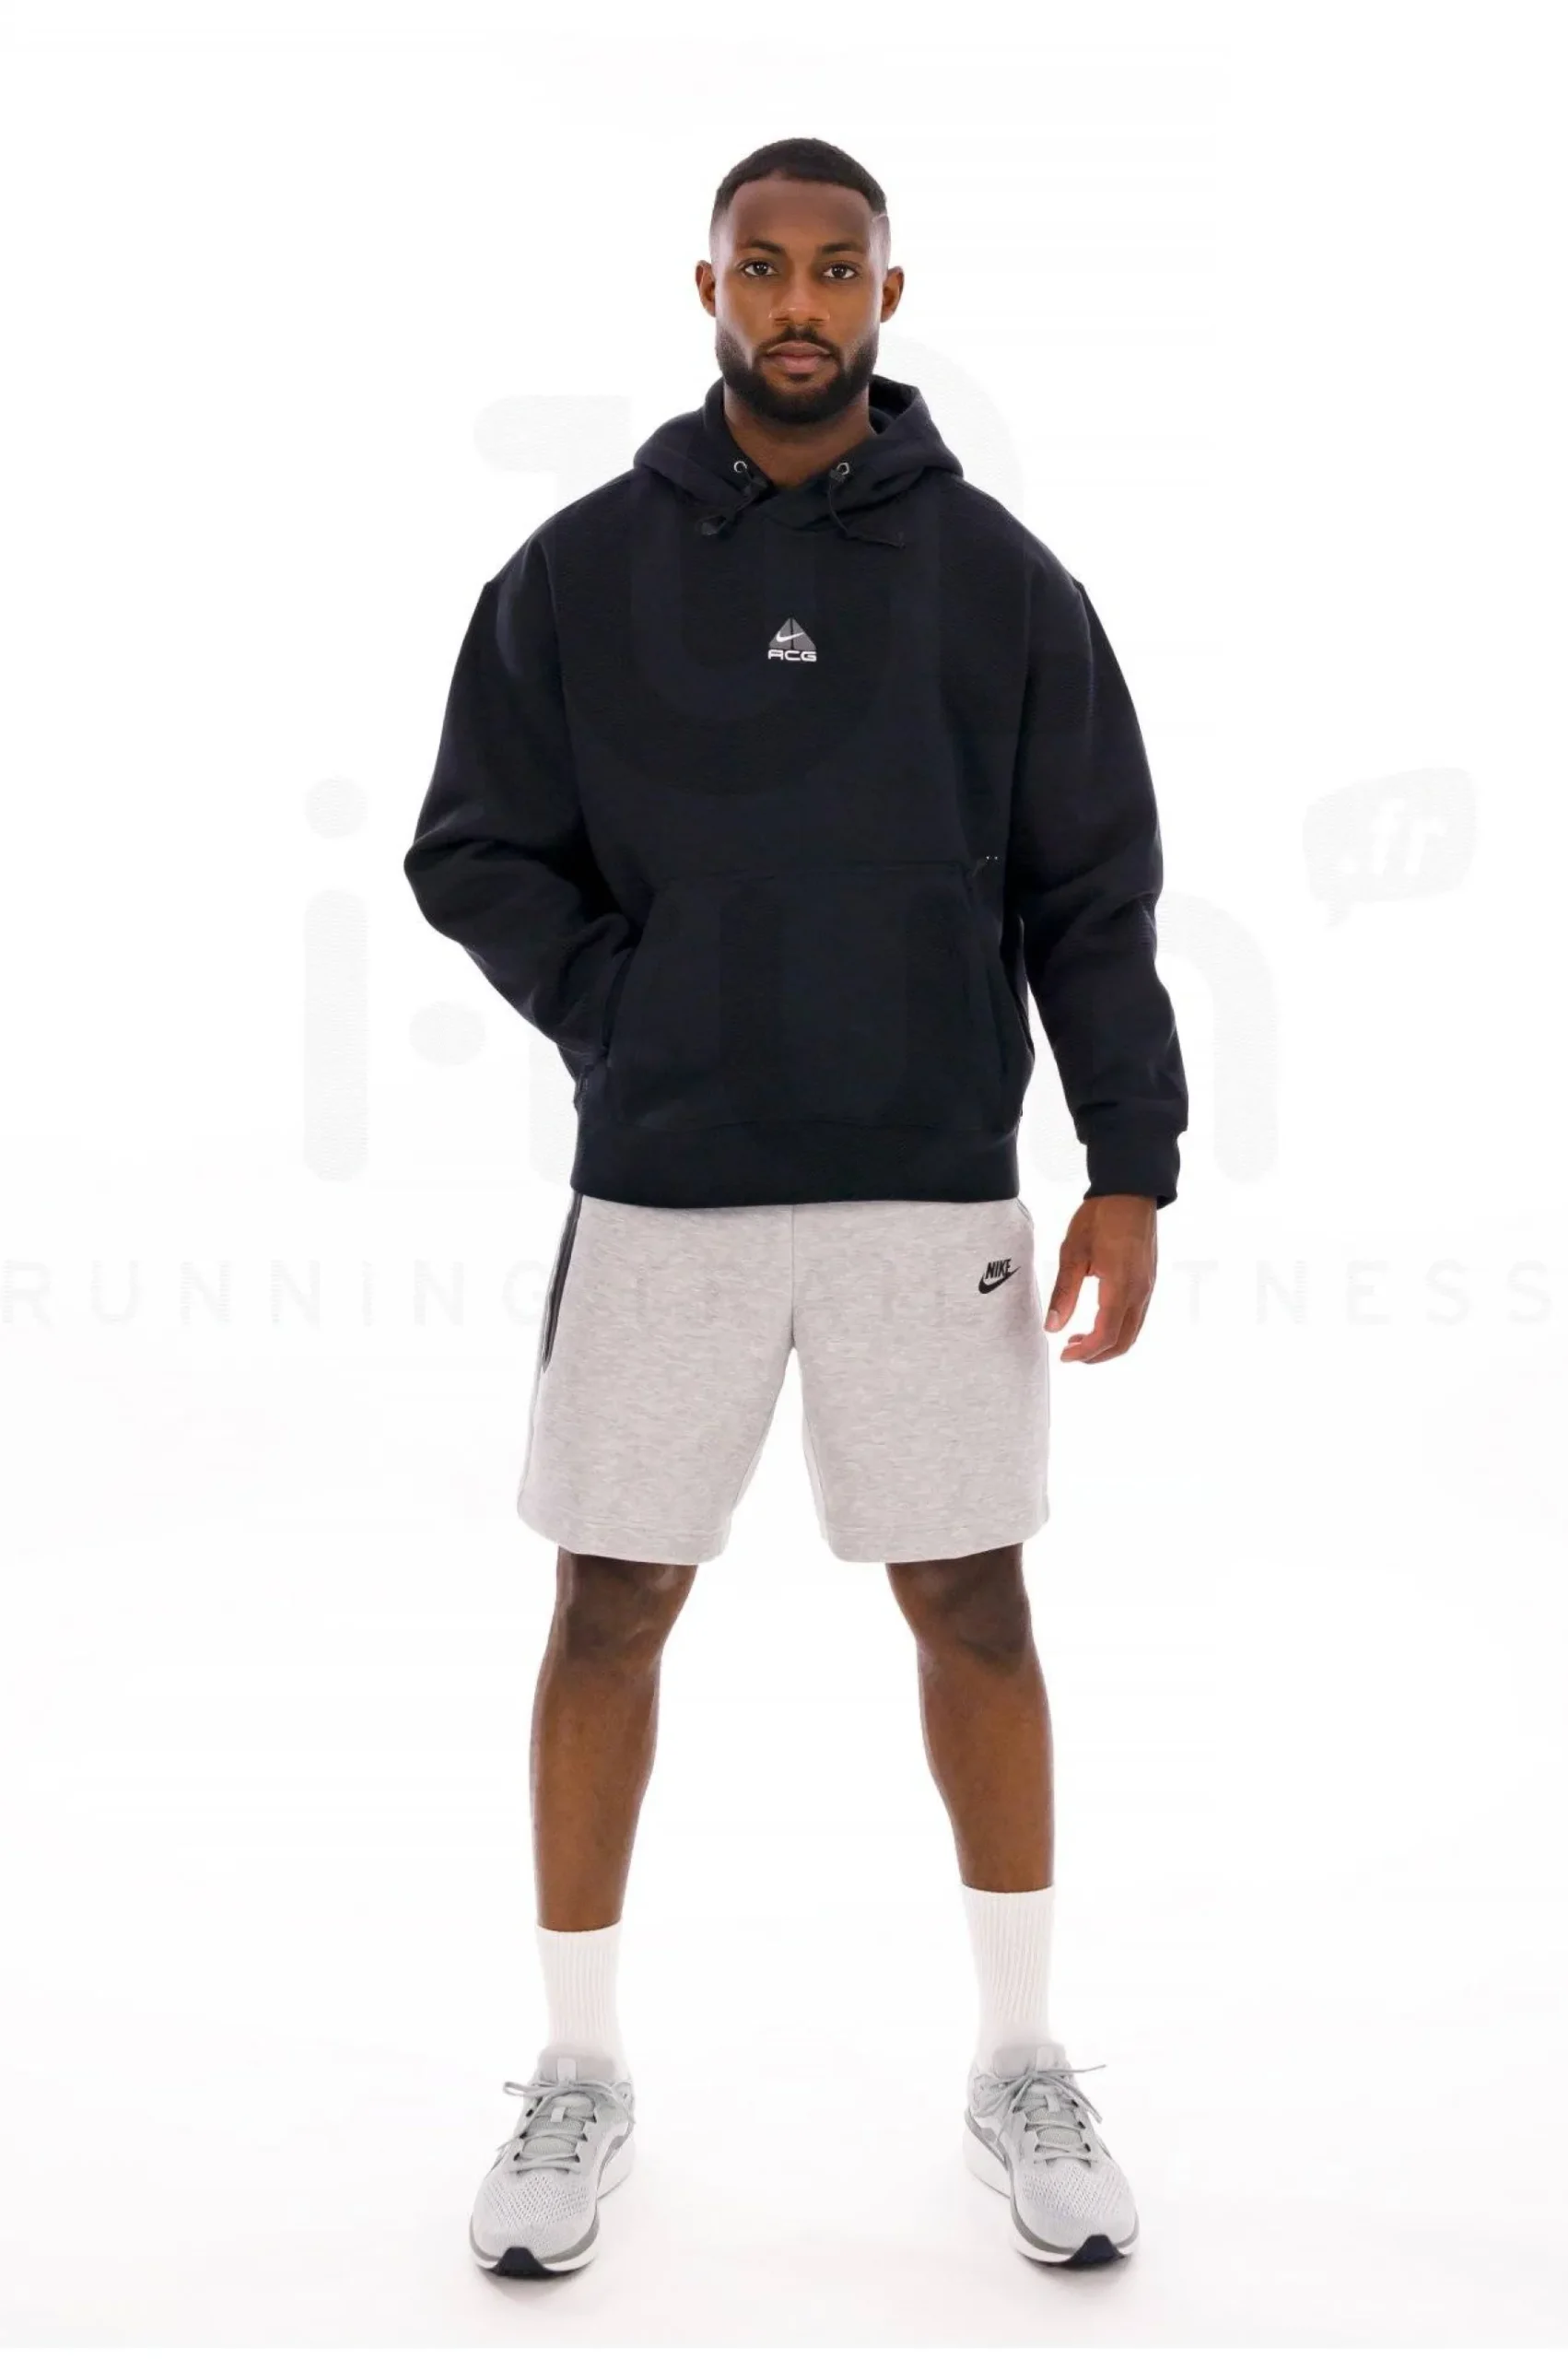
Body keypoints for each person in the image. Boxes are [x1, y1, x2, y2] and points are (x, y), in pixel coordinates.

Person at [404, 135, 1188, 2279]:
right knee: (605, 1605)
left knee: (974, 1604)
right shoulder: (581, 569)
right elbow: (471, 844)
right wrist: (624, 1011)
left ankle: (1018, 2060)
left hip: (924, 1181)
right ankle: (577, 2070)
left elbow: (1090, 888)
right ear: (707, 288)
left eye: (836, 269)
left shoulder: (996, 578)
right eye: (763, 267)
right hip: (667, 1185)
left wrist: (1128, 1157)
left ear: (886, 295)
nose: (798, 303)